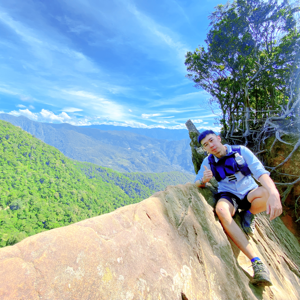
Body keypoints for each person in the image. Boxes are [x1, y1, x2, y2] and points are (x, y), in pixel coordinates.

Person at [195, 130, 282, 287]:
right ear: (205, 149)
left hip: (249, 192)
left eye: (211, 140)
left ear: (219, 138)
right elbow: (197, 181)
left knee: (267, 193)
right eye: (206, 145)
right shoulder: (208, 162)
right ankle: (256, 261)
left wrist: (275, 193)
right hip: (229, 194)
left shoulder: (240, 151)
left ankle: (249, 213)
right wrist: (203, 180)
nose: (211, 146)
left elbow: (260, 173)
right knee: (221, 211)